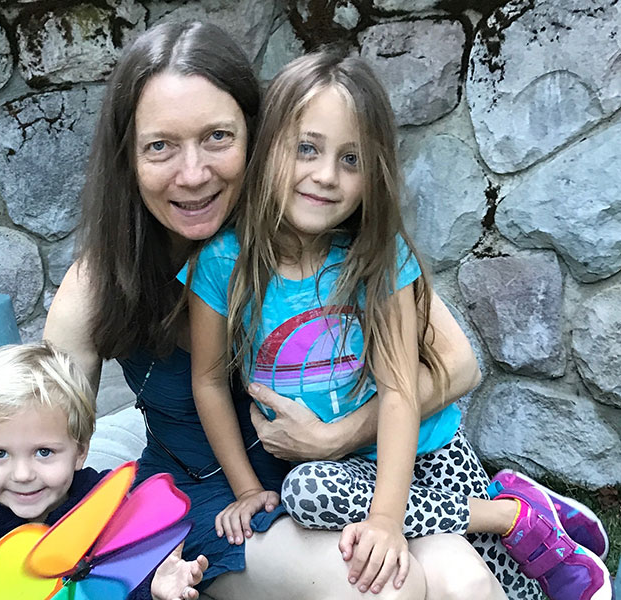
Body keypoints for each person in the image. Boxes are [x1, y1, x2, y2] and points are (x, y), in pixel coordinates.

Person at [0, 20, 506, 600]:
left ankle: (522, 523)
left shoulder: (322, 233)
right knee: (386, 590)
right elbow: (35, 439)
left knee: (467, 584)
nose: (192, 175)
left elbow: (457, 367)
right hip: (220, 507)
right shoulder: (102, 284)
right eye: (160, 146)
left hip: (346, 482)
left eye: (217, 137)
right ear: (128, 158)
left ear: (259, 136)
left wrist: (340, 434)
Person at [183, 50, 610, 600]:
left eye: (351, 160)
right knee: (307, 491)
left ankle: (517, 518)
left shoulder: (375, 257)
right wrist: (244, 488)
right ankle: (515, 517)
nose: (325, 176)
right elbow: (209, 381)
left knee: (493, 588)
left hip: (429, 457)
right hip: (343, 478)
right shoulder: (223, 262)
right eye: (307, 149)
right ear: (268, 149)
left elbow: (400, 388)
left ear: (373, 173)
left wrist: (387, 519)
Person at [0, 341, 207, 600]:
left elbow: (121, 581)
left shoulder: (107, 511)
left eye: (44, 452)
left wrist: (152, 586)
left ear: (80, 451)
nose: (23, 474)